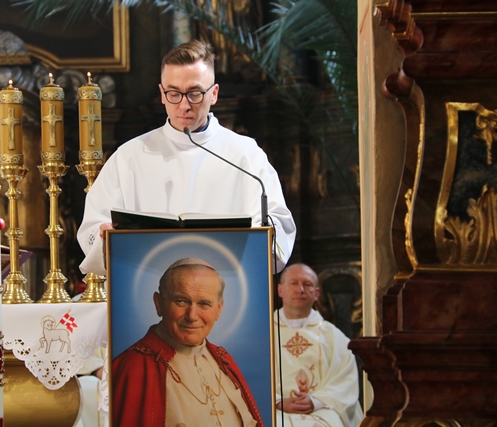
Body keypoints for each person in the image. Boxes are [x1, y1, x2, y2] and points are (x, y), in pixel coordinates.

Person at [77, 39, 296, 276]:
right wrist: (105, 236)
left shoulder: (246, 155)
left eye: (194, 94)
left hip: (227, 284)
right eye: (174, 93)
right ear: (162, 94)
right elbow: (92, 228)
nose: (184, 105)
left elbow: (278, 225)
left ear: (214, 94)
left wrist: (261, 236)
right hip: (146, 284)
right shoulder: (129, 157)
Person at [111, 257, 263, 427]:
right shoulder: (132, 367)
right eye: (181, 301)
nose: (192, 316)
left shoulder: (223, 360)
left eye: (204, 304)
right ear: (159, 304)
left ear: (218, 309)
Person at [274, 263, 364, 427]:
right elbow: (252, 379)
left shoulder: (335, 338)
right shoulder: (264, 335)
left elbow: (345, 382)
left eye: (307, 284)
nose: (300, 289)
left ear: (316, 293)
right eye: (294, 283)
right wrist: (279, 401)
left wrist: (315, 401)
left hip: (322, 410)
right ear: (280, 290)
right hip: (275, 409)